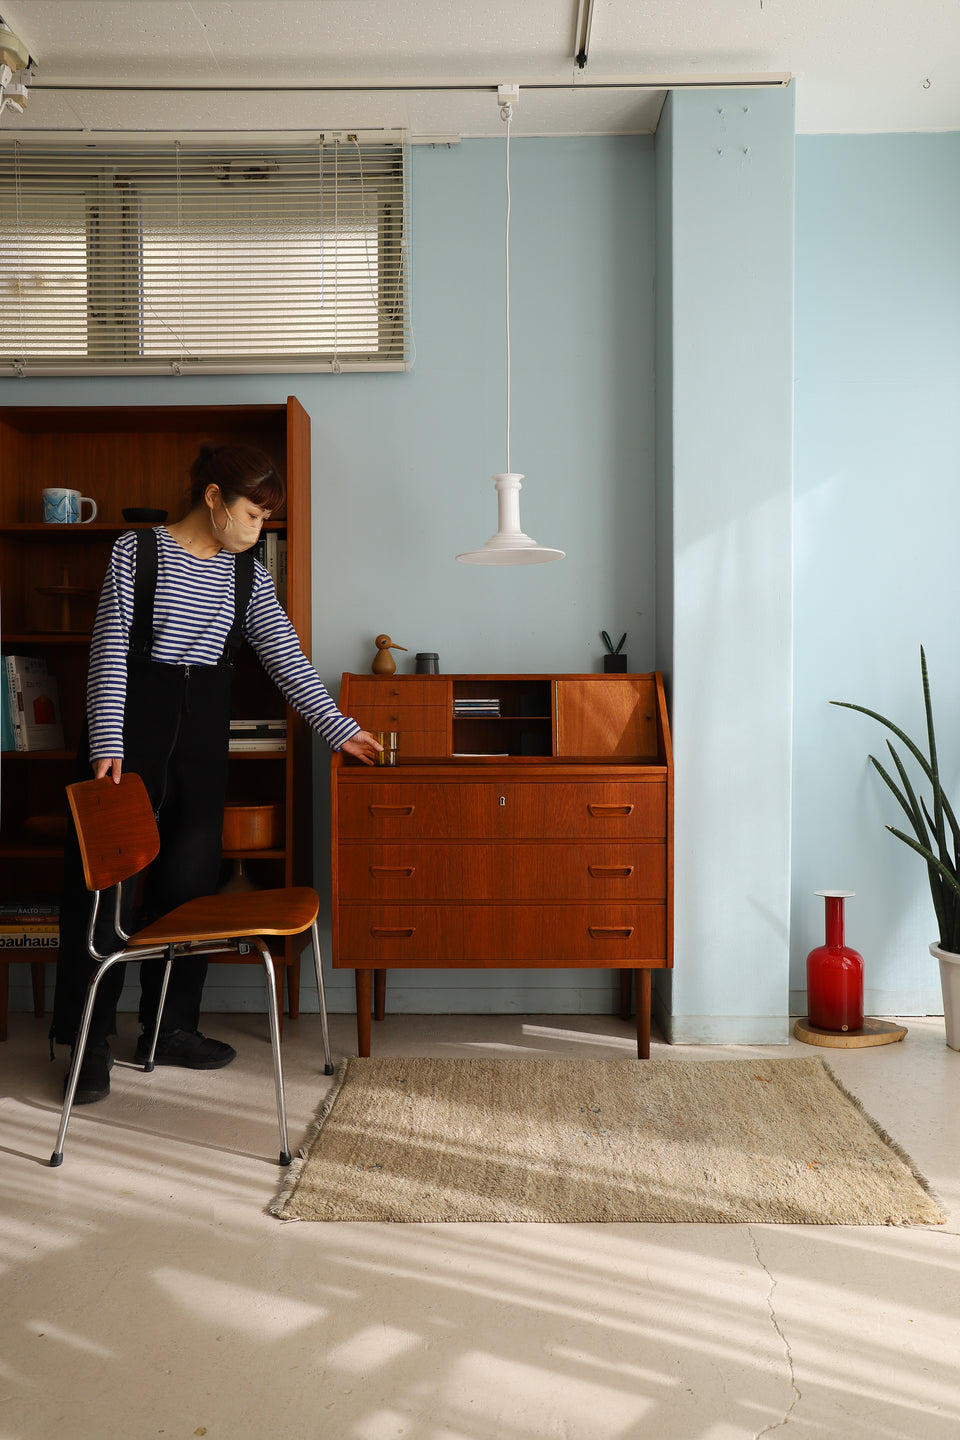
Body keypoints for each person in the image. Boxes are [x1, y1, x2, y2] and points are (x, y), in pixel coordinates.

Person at [51, 442, 381, 1103]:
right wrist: (107, 741)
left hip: (204, 730)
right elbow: (111, 649)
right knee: (103, 892)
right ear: (214, 500)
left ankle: (167, 1029)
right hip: (130, 730)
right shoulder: (136, 552)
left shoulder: (248, 577)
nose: (260, 528)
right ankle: (84, 1039)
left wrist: (341, 730)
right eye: (254, 514)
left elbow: (285, 657)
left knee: (190, 885)